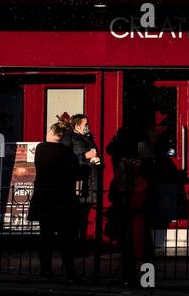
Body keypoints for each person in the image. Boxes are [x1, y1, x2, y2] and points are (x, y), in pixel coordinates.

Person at [28, 117, 82, 281]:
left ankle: (46, 270)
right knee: (66, 238)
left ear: (51, 132)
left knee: (46, 237)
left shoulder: (40, 148)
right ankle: (70, 272)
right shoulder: (67, 152)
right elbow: (77, 172)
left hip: (44, 198)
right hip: (63, 199)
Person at [106, 154, 149, 285]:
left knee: (126, 250)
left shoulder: (119, 182)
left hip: (124, 217)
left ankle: (126, 278)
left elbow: (112, 197)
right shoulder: (142, 181)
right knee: (144, 251)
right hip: (140, 218)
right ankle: (147, 280)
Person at [65, 113, 102, 242]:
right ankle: (75, 245)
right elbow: (68, 158)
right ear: (77, 125)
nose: (87, 127)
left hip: (90, 181)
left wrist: (96, 160)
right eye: (85, 124)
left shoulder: (87, 138)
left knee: (84, 216)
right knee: (77, 216)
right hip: (80, 182)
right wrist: (85, 156)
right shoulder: (71, 138)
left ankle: (80, 243)